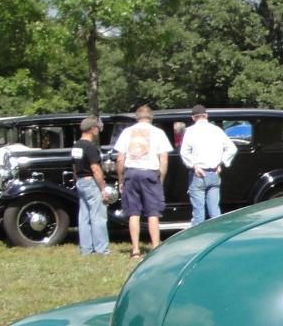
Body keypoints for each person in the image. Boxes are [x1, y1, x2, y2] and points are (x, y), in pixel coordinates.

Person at [114, 104, 172, 260]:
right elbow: (164, 158)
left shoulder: (127, 132)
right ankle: (155, 247)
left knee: (133, 213)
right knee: (153, 212)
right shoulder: (158, 133)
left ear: (136, 118)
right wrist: (161, 178)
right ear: (151, 118)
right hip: (150, 173)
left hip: (131, 173)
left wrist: (120, 178)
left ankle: (135, 250)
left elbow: (120, 158)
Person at [180, 104, 237, 225]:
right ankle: (217, 237)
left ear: (193, 118)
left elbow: (184, 152)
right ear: (206, 115)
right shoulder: (217, 130)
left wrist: (194, 165)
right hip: (214, 173)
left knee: (198, 213)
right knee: (215, 212)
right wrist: (222, 162)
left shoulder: (190, 131)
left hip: (198, 174)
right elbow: (232, 148)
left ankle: (197, 240)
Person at [71, 116, 110, 256]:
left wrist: (77, 181)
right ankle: (101, 249)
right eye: (97, 128)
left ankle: (86, 249)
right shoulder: (90, 147)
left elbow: (74, 167)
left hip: (80, 181)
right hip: (91, 182)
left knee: (84, 217)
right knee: (98, 216)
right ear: (92, 129)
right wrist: (103, 188)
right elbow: (96, 169)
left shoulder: (76, 146)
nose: (98, 131)